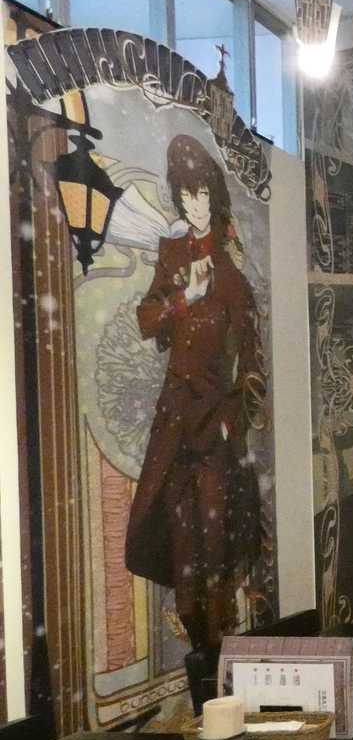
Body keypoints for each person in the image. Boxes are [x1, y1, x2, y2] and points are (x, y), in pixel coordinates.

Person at [125, 133, 264, 653]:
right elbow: (147, 319)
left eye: (202, 193)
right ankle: (201, 660)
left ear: (214, 197)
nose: (194, 204)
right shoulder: (173, 261)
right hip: (174, 423)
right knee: (181, 542)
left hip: (215, 428)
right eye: (185, 194)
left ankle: (219, 658)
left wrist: (233, 420)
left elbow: (252, 363)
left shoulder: (234, 280)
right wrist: (186, 296)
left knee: (215, 543)